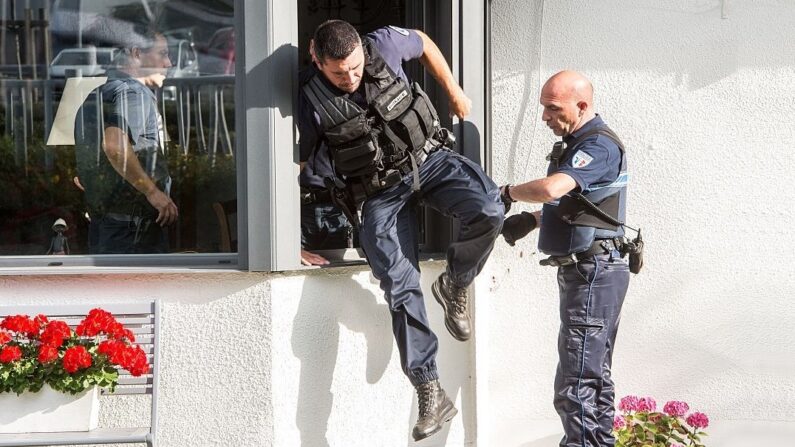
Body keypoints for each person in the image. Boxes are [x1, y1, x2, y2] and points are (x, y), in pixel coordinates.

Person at [298, 20, 504, 440]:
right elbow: (303, 167)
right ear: (315, 58)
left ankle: (456, 281)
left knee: (489, 209)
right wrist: (291, 240)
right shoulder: (310, 100)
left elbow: (425, 42)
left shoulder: (384, 44)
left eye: (355, 68)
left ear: (361, 49)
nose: (351, 78)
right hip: (379, 193)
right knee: (400, 283)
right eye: (339, 73)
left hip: (429, 161)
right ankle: (430, 388)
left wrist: (454, 90)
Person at [499, 70, 631, 447]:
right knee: (593, 377)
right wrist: (532, 221)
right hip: (592, 271)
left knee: (577, 385)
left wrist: (508, 192)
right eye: (543, 108)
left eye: (552, 108)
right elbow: (579, 205)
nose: (544, 117)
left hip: (594, 273)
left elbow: (553, 188)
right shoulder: (576, 143)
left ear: (582, 105)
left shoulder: (598, 145)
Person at [74, 29, 177, 254]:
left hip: (107, 226)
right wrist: (153, 192)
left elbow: (85, 169)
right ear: (137, 53)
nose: (168, 63)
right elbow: (114, 146)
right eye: (162, 53)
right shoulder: (133, 92)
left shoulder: (99, 92)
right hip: (133, 232)